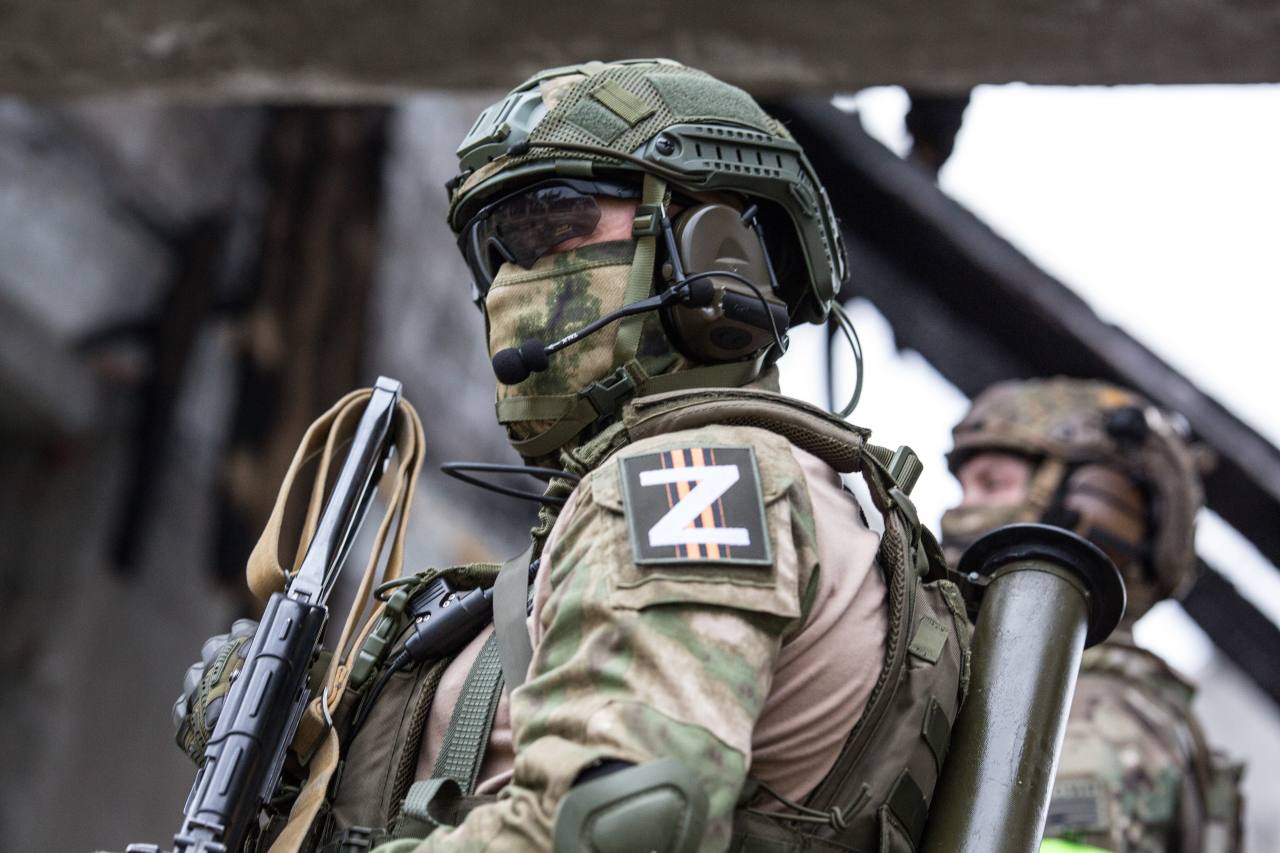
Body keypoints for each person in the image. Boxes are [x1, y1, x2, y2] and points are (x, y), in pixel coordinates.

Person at [168, 59, 971, 853]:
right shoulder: (731, 493)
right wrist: (309, 735)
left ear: (716, 246)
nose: (509, 284)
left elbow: (614, 824)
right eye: (495, 251)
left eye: (552, 221)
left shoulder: (695, 481)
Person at [939, 377, 1244, 853]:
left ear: (1096, 499)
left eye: (992, 484)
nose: (960, 509)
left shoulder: (1094, 716)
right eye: (963, 488)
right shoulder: (1020, 679)